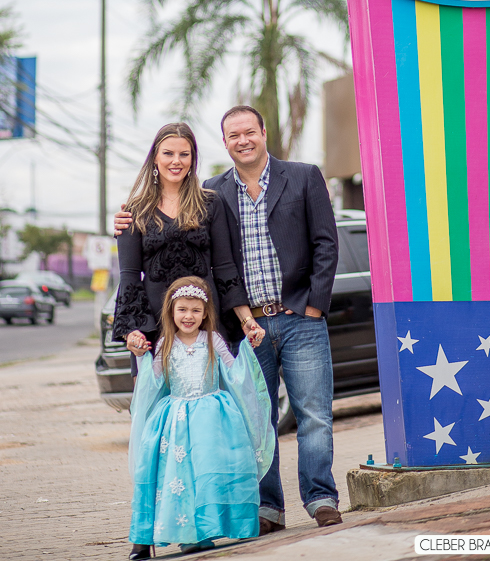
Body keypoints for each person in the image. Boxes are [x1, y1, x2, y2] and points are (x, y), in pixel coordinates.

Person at [116, 105, 341, 533]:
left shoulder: (298, 177)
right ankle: (266, 508)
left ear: (262, 132)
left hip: (288, 319)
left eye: (249, 132)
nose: (243, 140)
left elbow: (324, 244)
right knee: (253, 415)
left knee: (313, 414)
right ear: (224, 143)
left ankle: (320, 498)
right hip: (231, 329)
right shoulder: (212, 194)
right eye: (233, 134)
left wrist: (313, 305)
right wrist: (130, 326)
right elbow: (142, 270)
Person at [127, 276, 274, 559]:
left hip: (211, 420)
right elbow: (154, 383)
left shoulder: (213, 340)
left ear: (205, 313)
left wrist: (247, 347)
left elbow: (234, 373)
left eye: (196, 310)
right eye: (182, 309)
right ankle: (175, 534)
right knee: (177, 476)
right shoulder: (164, 344)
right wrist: (140, 356)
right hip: (176, 421)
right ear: (171, 311)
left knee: (206, 474)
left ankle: (203, 531)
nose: (188, 316)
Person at [112, 123, 263, 365]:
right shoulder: (134, 211)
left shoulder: (211, 204)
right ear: (154, 158)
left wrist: (246, 320)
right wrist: (132, 331)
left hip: (206, 323)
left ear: (193, 160)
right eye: (168, 153)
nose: (176, 161)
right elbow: (129, 277)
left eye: (184, 154)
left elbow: (225, 268)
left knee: (210, 400)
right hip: (154, 328)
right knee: (155, 402)